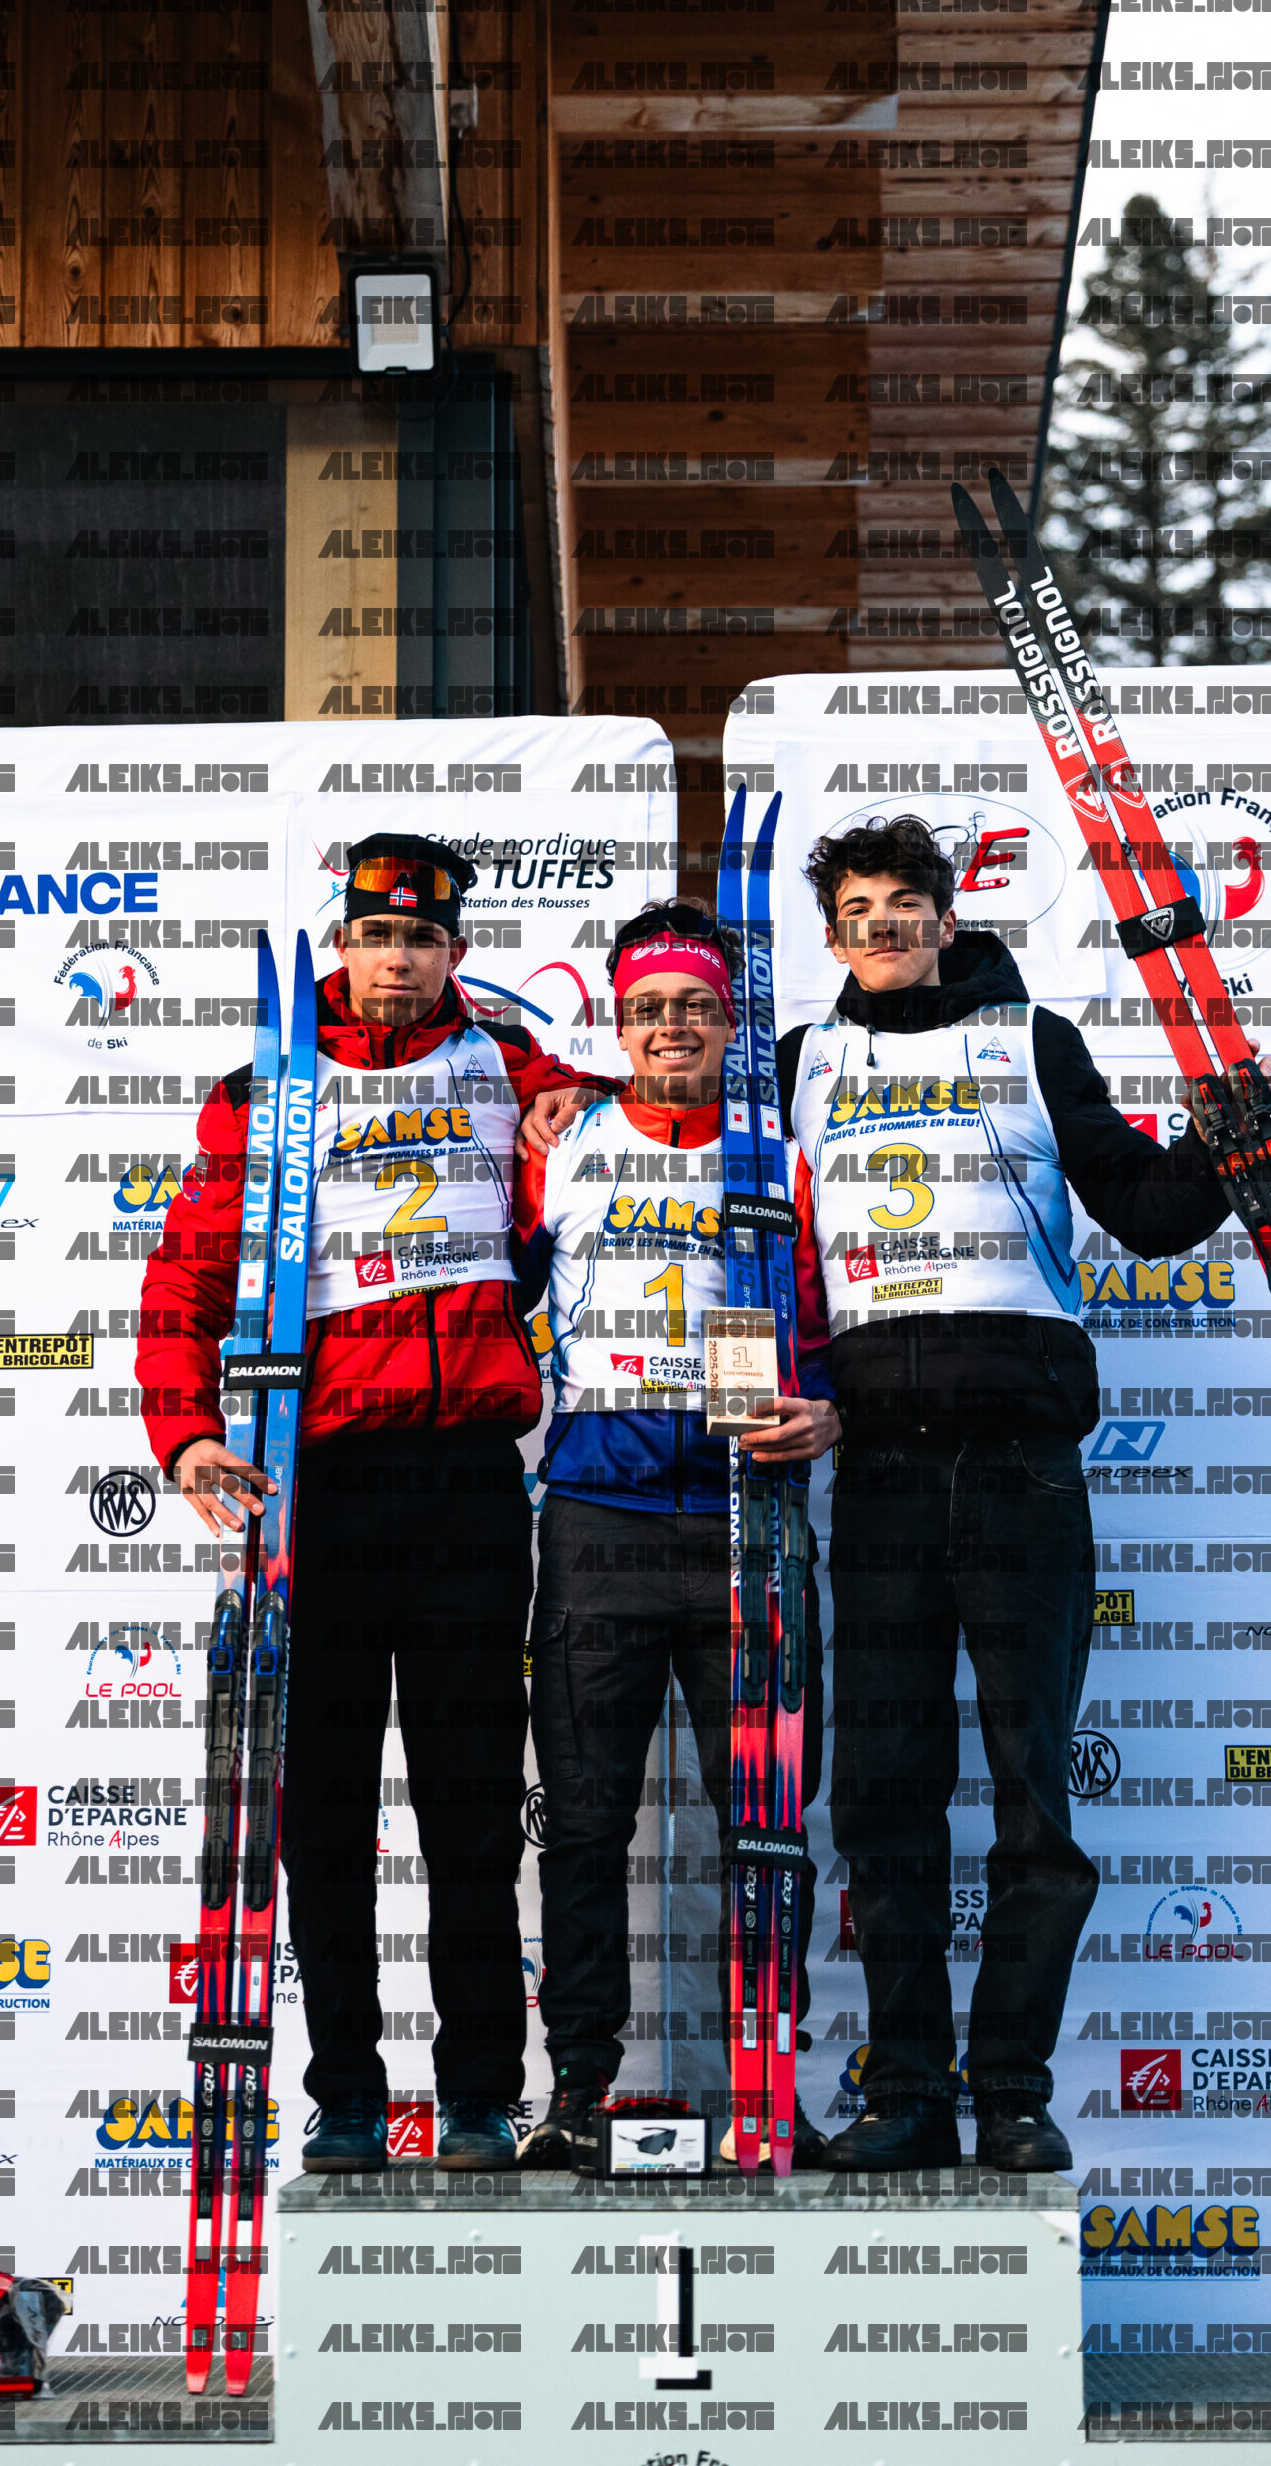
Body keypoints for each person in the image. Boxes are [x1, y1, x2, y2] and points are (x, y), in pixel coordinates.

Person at [781, 815, 1256, 2174]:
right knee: (882, 1796)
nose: (882, 923)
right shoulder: (800, 1062)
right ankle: (905, 2093)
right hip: (876, 1470)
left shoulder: (1032, 1039)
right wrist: (558, 1106)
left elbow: (1143, 1209)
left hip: (1020, 1469)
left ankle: (1010, 2092)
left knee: (1031, 1797)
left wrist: (1222, 1142)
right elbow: (713, 1190)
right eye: (857, 908)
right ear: (832, 935)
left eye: (904, 902)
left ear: (947, 918)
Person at [136, 833, 600, 2174]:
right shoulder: (265, 1088)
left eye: (422, 938)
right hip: (317, 1488)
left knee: (471, 1813)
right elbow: (186, 1275)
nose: (397, 958)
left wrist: (578, 1107)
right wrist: (185, 1435)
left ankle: (478, 2097)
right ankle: (343, 2095)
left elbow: (635, 1139)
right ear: (341, 943)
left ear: (457, 951)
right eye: (375, 934)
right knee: (324, 1814)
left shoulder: (519, 1071)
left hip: (465, 1483)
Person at [511, 899, 841, 2173]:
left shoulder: (779, 1151)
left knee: (766, 1824)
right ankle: (576, 2088)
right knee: (585, 1820)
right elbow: (492, 1289)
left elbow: (830, 1315)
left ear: (729, 1021)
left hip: (748, 1517)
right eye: (649, 1007)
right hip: (598, 1517)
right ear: (618, 1020)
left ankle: (770, 2087)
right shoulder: (564, 1141)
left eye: (695, 1006)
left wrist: (832, 1405)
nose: (672, 1028)